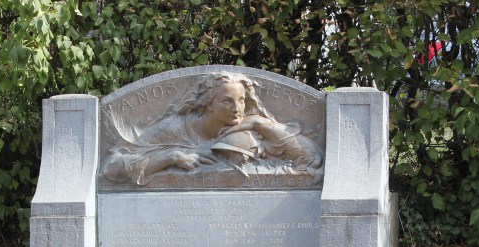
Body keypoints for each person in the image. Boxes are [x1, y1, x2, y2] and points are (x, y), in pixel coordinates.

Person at [102, 72, 321, 185]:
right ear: (208, 102)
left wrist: (259, 123)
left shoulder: (252, 131)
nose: (237, 109)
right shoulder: (175, 128)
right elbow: (113, 167)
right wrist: (172, 157)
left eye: (242, 100)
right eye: (227, 101)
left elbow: (312, 160)